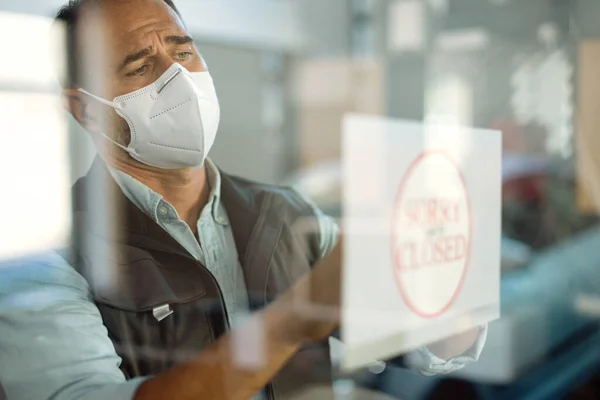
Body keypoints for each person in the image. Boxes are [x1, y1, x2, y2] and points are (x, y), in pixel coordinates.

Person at [0, 0, 486, 399]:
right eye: (141, 67)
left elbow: (431, 343)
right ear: (86, 109)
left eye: (183, 52)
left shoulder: (286, 213)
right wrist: (294, 319)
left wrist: (444, 270)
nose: (179, 81)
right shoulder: (46, 262)